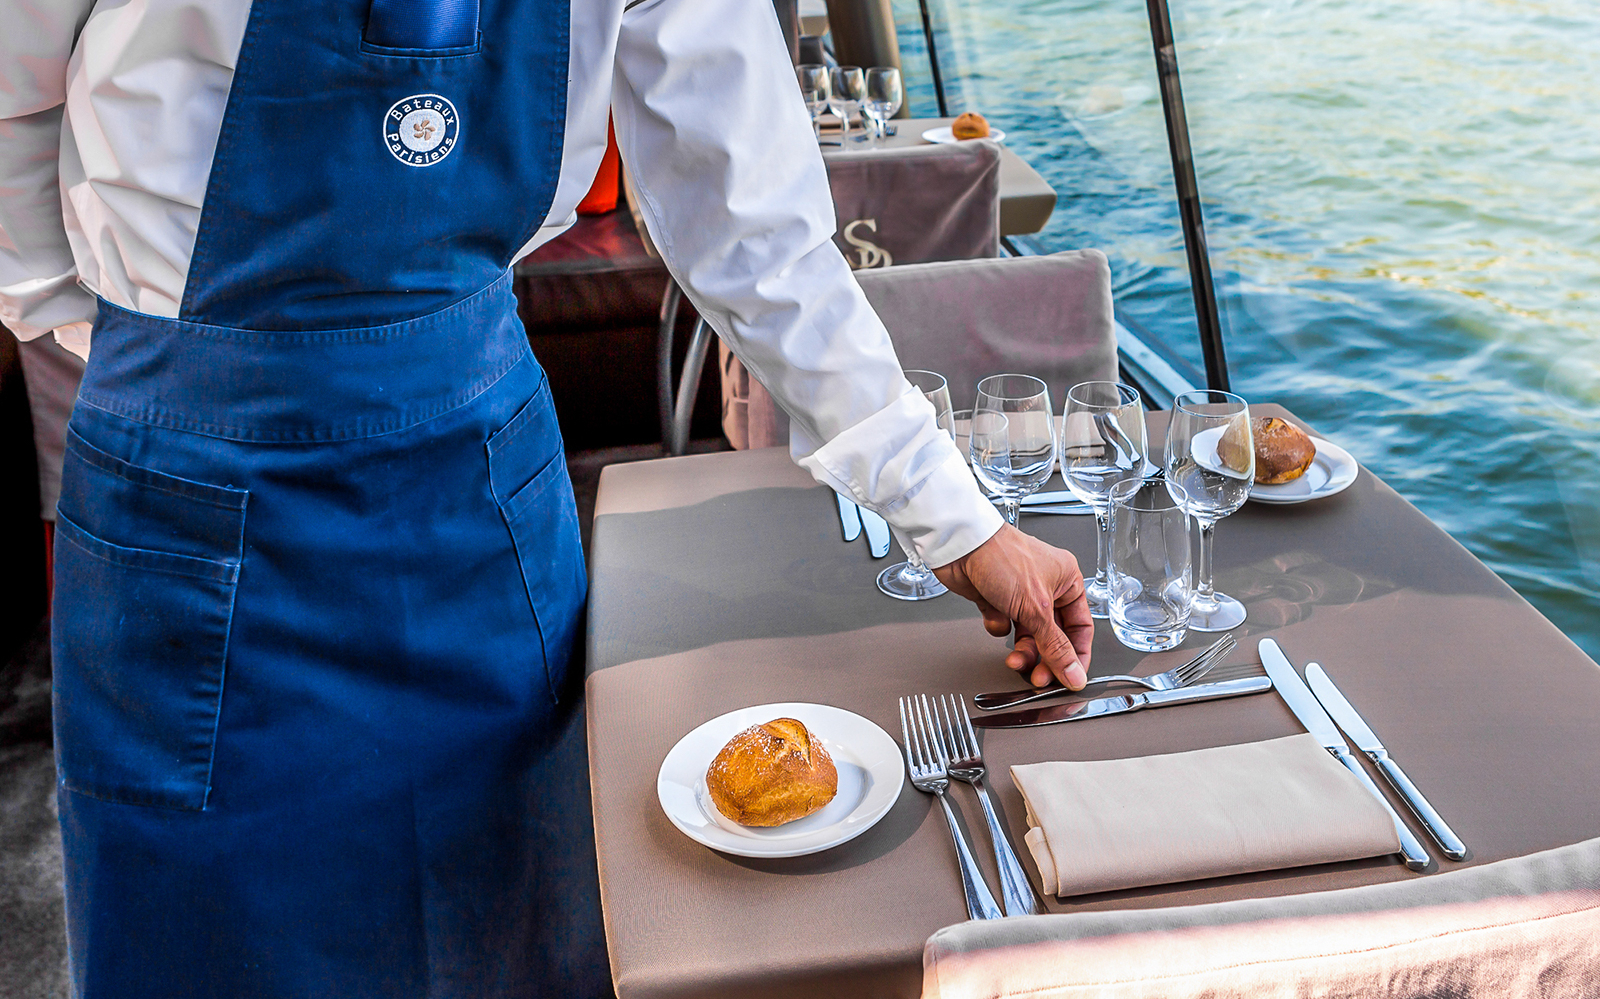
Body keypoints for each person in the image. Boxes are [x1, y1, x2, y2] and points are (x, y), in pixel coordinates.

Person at [0, 0, 1093, 994]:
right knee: (211, 943)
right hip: (192, 482)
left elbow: (757, 230)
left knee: (504, 916)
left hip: (474, 479)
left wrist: (958, 522)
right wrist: (137, 349)